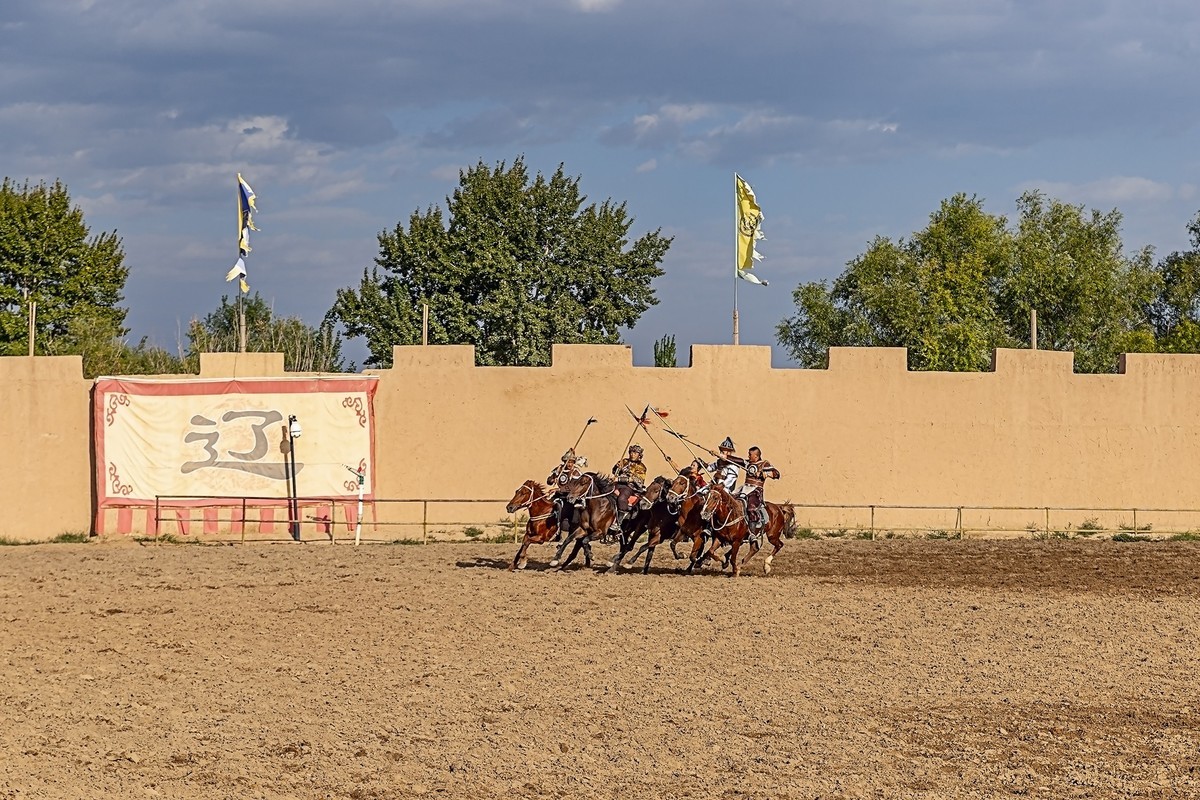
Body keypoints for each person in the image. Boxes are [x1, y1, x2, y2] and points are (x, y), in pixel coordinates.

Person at [738, 446, 780, 533]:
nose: (748, 456)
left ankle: (752, 534)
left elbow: (776, 474)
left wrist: (765, 473)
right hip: (745, 489)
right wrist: (722, 456)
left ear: (756, 456)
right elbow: (737, 460)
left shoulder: (764, 464)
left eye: (750, 455)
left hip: (756, 490)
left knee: (751, 508)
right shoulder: (748, 463)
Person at [547, 449, 585, 540]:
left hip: (570, 497)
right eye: (568, 462)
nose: (570, 464)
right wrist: (552, 479)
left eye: (571, 462)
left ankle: (562, 536)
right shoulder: (559, 469)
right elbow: (549, 480)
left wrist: (558, 489)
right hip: (558, 495)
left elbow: (572, 486)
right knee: (546, 506)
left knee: (564, 512)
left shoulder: (576, 472)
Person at [610, 444, 648, 533]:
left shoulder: (641, 467)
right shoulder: (624, 461)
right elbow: (614, 471)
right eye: (631, 452)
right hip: (616, 483)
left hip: (629, 487)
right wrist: (617, 467)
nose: (632, 454)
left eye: (635, 453)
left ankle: (618, 523)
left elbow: (637, 479)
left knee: (622, 498)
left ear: (639, 455)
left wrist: (619, 479)